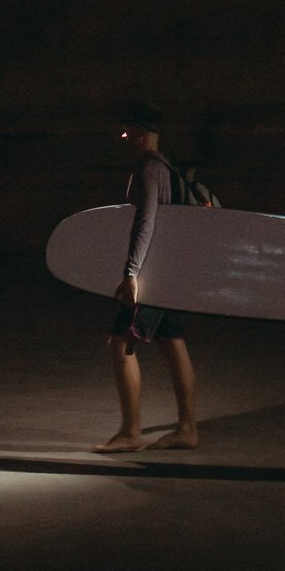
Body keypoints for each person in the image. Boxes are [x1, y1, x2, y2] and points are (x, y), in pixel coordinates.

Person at [93, 101, 199, 453]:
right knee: (173, 343)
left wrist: (131, 273)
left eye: (127, 131)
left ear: (139, 131)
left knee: (120, 342)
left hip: (152, 274)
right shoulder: (169, 166)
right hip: (173, 272)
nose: (124, 138)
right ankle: (187, 429)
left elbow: (146, 222)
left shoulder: (148, 169)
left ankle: (130, 431)